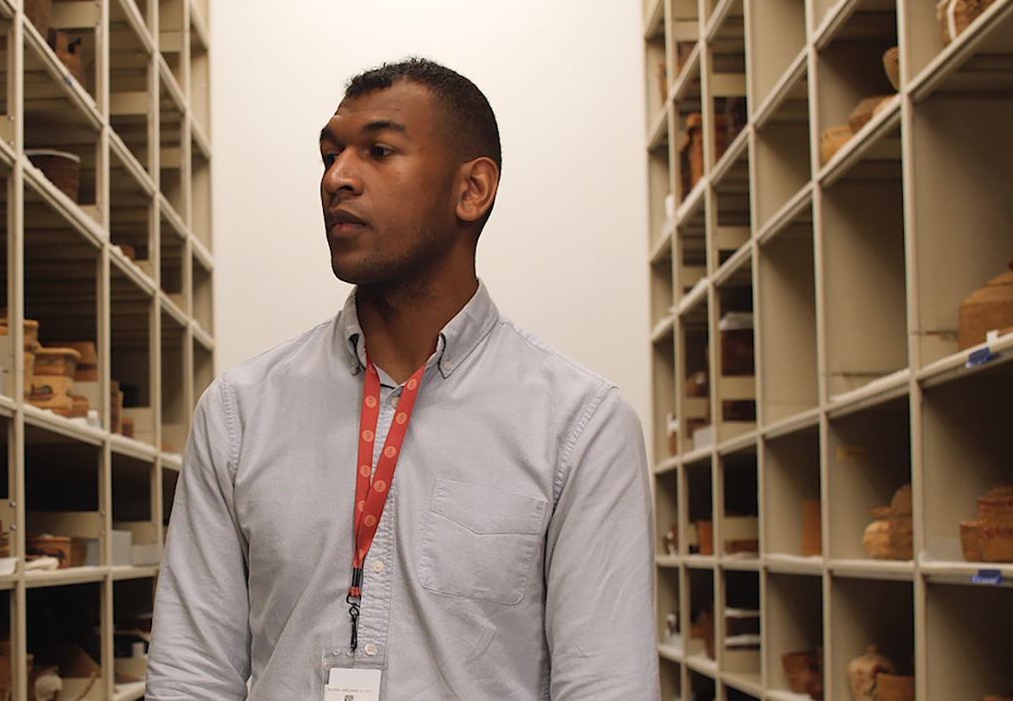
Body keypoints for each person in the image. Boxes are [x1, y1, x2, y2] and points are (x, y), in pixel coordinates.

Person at [147, 58, 657, 700]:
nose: (338, 178)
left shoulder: (579, 426)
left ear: (473, 189)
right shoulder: (240, 412)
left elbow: (607, 684)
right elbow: (191, 671)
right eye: (329, 156)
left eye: (379, 151)